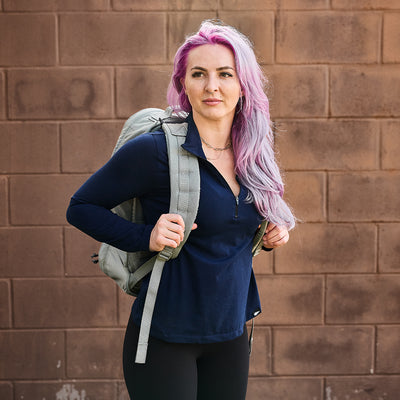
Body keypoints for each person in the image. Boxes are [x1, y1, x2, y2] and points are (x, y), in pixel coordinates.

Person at [66, 20, 295, 400]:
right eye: (199, 74)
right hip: (164, 340)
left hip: (230, 336)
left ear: (243, 85)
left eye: (225, 74)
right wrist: (146, 236)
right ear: (183, 84)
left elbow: (235, 226)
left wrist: (271, 236)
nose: (212, 86)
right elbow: (81, 207)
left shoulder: (253, 154)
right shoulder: (155, 151)